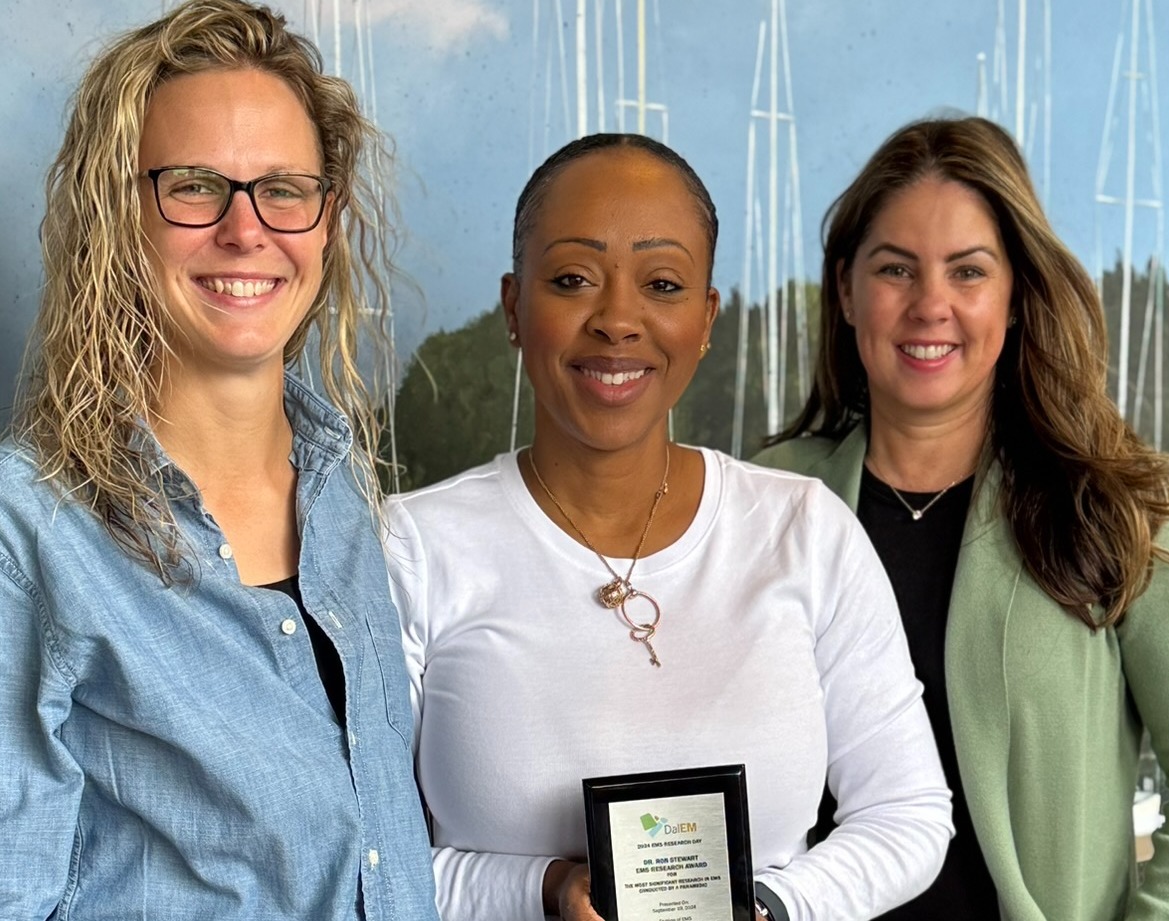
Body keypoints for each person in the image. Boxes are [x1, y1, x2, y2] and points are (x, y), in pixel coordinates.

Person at [0, 3, 439, 918]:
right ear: (120, 216)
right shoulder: (9, 536)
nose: (245, 229)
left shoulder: (344, 494)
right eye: (194, 186)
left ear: (328, 220)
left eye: (284, 188)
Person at [383, 132, 953, 921]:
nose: (619, 320)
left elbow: (910, 811)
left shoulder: (805, 531)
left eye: (662, 282)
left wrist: (777, 906)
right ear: (515, 308)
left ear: (707, 316)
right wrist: (540, 890)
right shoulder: (412, 548)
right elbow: (361, 852)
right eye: (573, 278)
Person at [755, 116, 1169, 920]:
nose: (931, 305)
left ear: (1017, 296)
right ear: (847, 290)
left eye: (968, 272)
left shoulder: (1116, 506)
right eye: (896, 269)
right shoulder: (766, 502)